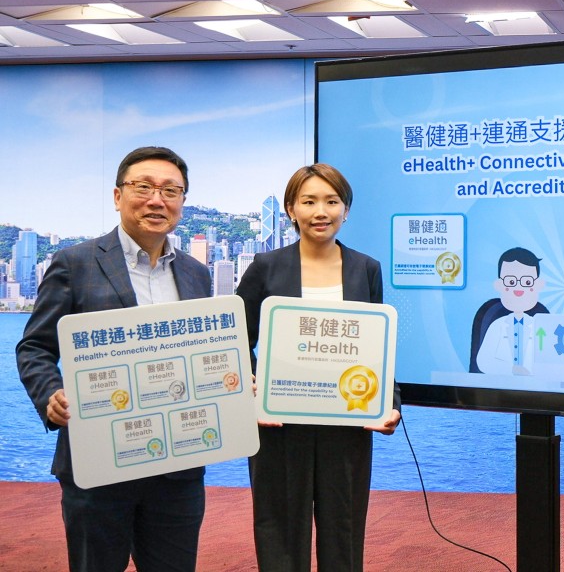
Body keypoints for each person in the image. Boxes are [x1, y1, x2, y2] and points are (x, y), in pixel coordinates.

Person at [16, 146, 212, 572]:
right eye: (143, 187)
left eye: (171, 191)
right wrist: (51, 394)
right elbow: (34, 347)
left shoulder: (198, 273)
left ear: (182, 201)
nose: (157, 200)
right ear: (118, 195)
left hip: (177, 466)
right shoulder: (75, 262)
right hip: (98, 458)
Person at [236, 163, 401, 572]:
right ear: (291, 209)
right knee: (279, 537)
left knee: (343, 536)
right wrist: (252, 390)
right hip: (278, 428)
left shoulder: (366, 269)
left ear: (346, 210)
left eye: (332, 201)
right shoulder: (264, 267)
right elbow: (234, 340)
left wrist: (389, 402)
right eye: (308, 201)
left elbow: (376, 347)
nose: (320, 211)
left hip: (346, 425)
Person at [472, 247, 548, 375]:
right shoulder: (497, 325)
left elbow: (547, 359)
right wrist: (511, 370)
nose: (518, 287)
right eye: (511, 281)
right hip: (496, 390)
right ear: (499, 285)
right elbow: (483, 360)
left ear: (538, 285)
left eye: (527, 281)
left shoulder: (540, 327)